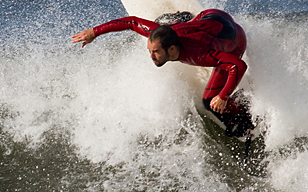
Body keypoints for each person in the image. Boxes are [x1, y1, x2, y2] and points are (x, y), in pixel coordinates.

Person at [71, 9, 253, 135]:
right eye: (150, 50)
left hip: (234, 40)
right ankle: (183, 18)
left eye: (156, 52)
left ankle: (242, 107)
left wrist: (223, 96)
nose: (151, 56)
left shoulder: (201, 54)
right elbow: (132, 22)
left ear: (172, 49)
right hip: (210, 15)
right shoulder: (159, 35)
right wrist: (95, 32)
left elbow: (238, 66)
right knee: (160, 25)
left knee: (208, 102)